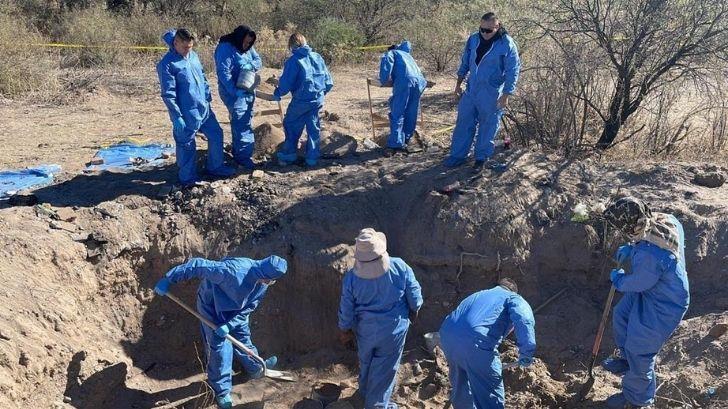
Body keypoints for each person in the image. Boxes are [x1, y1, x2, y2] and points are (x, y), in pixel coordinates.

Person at [153, 255, 287, 409]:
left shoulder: (262, 284)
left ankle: (256, 367)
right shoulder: (232, 271)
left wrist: (230, 324)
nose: (269, 283)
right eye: (269, 280)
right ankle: (221, 391)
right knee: (220, 349)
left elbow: (250, 307)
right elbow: (199, 265)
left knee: (243, 338)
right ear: (264, 274)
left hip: (236, 314)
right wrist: (169, 278)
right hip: (212, 309)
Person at [601, 197, 690, 409]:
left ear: (630, 225)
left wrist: (620, 279)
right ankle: (627, 359)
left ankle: (638, 400)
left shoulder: (650, 255)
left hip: (665, 303)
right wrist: (632, 249)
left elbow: (640, 281)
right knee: (621, 315)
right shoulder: (661, 220)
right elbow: (650, 249)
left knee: (640, 349)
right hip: (653, 287)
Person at [338, 228, 423, 409]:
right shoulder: (399, 266)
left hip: (365, 331)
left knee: (366, 361)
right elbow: (414, 295)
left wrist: (345, 330)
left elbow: (346, 309)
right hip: (394, 330)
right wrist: (414, 309)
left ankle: (364, 394)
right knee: (385, 369)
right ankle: (376, 405)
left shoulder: (351, 278)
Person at [439, 278, 536, 409]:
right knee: (490, 396)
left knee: (461, 386)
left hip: (447, 336)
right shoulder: (513, 298)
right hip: (476, 342)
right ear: (514, 291)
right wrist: (527, 352)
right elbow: (524, 319)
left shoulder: (479, 294)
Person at [157, 28, 236, 186]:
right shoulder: (166, 64)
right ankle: (187, 178)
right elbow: (169, 94)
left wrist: (207, 96)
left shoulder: (193, 56)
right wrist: (177, 117)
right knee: (186, 144)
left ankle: (215, 167)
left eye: (191, 47)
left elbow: (202, 76)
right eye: (185, 47)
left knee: (216, 134)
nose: (188, 51)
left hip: (204, 108)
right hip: (186, 112)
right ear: (176, 43)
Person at [444, 12, 520, 171]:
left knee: (488, 125)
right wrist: (458, 84)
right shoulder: (473, 39)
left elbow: (513, 71)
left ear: (497, 27)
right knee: (464, 122)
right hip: (471, 90)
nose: (484, 33)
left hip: (492, 92)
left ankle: (481, 158)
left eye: (488, 30)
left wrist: (506, 95)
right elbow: (465, 62)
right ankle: (457, 156)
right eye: (482, 29)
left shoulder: (507, 44)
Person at [273, 33, 334, 167]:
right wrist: (320, 94)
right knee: (313, 128)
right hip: (317, 100)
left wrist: (277, 92)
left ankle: (289, 154)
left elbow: (286, 83)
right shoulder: (317, 57)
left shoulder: (294, 61)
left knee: (291, 124)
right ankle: (312, 158)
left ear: (291, 45)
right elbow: (329, 82)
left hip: (301, 101)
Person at [214, 25, 263, 170]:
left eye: (250, 43)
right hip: (232, 92)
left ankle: (239, 152)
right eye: (245, 42)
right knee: (241, 123)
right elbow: (224, 74)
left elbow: (258, 60)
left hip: (248, 88)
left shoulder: (247, 47)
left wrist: (249, 65)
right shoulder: (225, 48)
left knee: (243, 120)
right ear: (239, 37)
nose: (247, 45)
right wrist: (234, 91)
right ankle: (243, 158)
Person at [378, 40, 427, 155]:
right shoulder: (408, 56)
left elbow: (386, 63)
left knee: (397, 112)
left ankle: (395, 144)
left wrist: (383, 80)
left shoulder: (393, 53)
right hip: (419, 82)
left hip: (404, 81)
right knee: (411, 111)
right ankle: (407, 140)